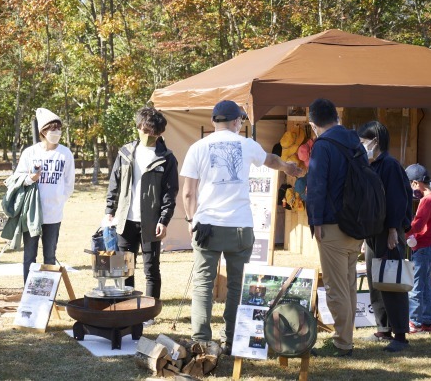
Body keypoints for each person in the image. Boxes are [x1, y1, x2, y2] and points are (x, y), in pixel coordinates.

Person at [180, 100, 302, 352]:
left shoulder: (197, 147)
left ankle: (201, 339)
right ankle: (231, 337)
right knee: (236, 284)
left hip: (207, 226)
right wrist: (288, 166)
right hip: (240, 226)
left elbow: (188, 193)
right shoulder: (247, 144)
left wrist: (192, 221)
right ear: (236, 122)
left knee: (204, 284)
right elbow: (269, 160)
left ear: (214, 122)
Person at [305, 98, 367, 357]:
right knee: (349, 285)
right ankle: (346, 336)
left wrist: (315, 222)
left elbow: (317, 186)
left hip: (332, 225)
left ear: (313, 124)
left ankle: (343, 341)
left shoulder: (323, 145)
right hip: (357, 224)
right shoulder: (356, 142)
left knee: (336, 287)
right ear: (336, 116)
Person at [105, 107, 179, 308]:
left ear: (160, 133)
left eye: (153, 132)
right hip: (125, 219)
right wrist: (109, 210)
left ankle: (149, 310)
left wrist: (164, 220)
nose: (149, 135)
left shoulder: (167, 158)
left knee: (151, 269)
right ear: (138, 128)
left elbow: (170, 193)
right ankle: (126, 306)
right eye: (145, 131)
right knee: (124, 267)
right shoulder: (126, 152)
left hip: (151, 221)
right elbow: (115, 182)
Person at [358, 121, 412, 352]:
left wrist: (392, 230)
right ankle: (383, 328)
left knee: (392, 281)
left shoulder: (390, 165)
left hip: (389, 231)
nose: (361, 146)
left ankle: (400, 335)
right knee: (376, 281)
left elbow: (398, 201)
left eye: (363, 141)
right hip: (372, 233)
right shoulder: (371, 164)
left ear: (375, 142)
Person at [15, 108, 75, 284]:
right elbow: (17, 178)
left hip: (53, 213)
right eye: (52, 129)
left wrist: (58, 200)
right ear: (43, 131)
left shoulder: (65, 153)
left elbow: (69, 183)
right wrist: (30, 178)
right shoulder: (30, 153)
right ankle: (29, 291)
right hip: (32, 213)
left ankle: (48, 293)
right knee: (29, 255)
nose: (56, 132)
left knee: (50, 256)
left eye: (59, 129)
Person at [405, 163, 431, 333]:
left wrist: (403, 233)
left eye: (410, 184)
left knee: (416, 286)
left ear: (416, 183)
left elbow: (418, 225)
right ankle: (427, 321)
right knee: (425, 286)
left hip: (424, 248)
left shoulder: (426, 200)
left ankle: (414, 322)